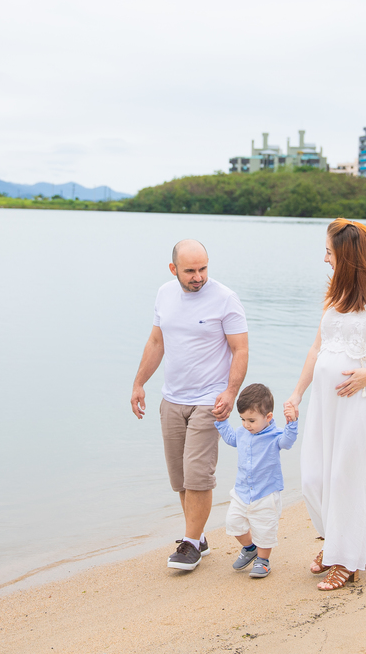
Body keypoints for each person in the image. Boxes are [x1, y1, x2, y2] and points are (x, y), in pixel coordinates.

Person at [284, 219, 366, 591]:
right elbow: (317, 348)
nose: (325, 258)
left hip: (362, 401)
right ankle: (335, 540)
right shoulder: (333, 293)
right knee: (315, 477)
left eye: (329, 251)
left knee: (347, 477)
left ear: (348, 255)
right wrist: (296, 394)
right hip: (326, 405)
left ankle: (347, 559)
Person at [130, 239, 249, 572]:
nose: (198, 277)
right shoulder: (165, 294)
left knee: (198, 475)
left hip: (208, 401)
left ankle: (191, 545)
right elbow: (157, 341)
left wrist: (230, 392)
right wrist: (139, 383)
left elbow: (240, 349)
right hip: (172, 399)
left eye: (203, 269)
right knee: (180, 477)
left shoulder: (225, 299)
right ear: (174, 269)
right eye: (190, 271)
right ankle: (196, 536)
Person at [214, 383, 298, 579]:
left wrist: (292, 422)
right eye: (242, 419)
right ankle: (249, 548)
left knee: (265, 528)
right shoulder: (243, 433)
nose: (246, 424)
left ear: (268, 417)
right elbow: (231, 438)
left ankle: (263, 560)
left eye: (251, 420)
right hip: (242, 491)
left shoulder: (274, 435)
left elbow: (288, 442)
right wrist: (221, 420)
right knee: (233, 522)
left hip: (265, 493)